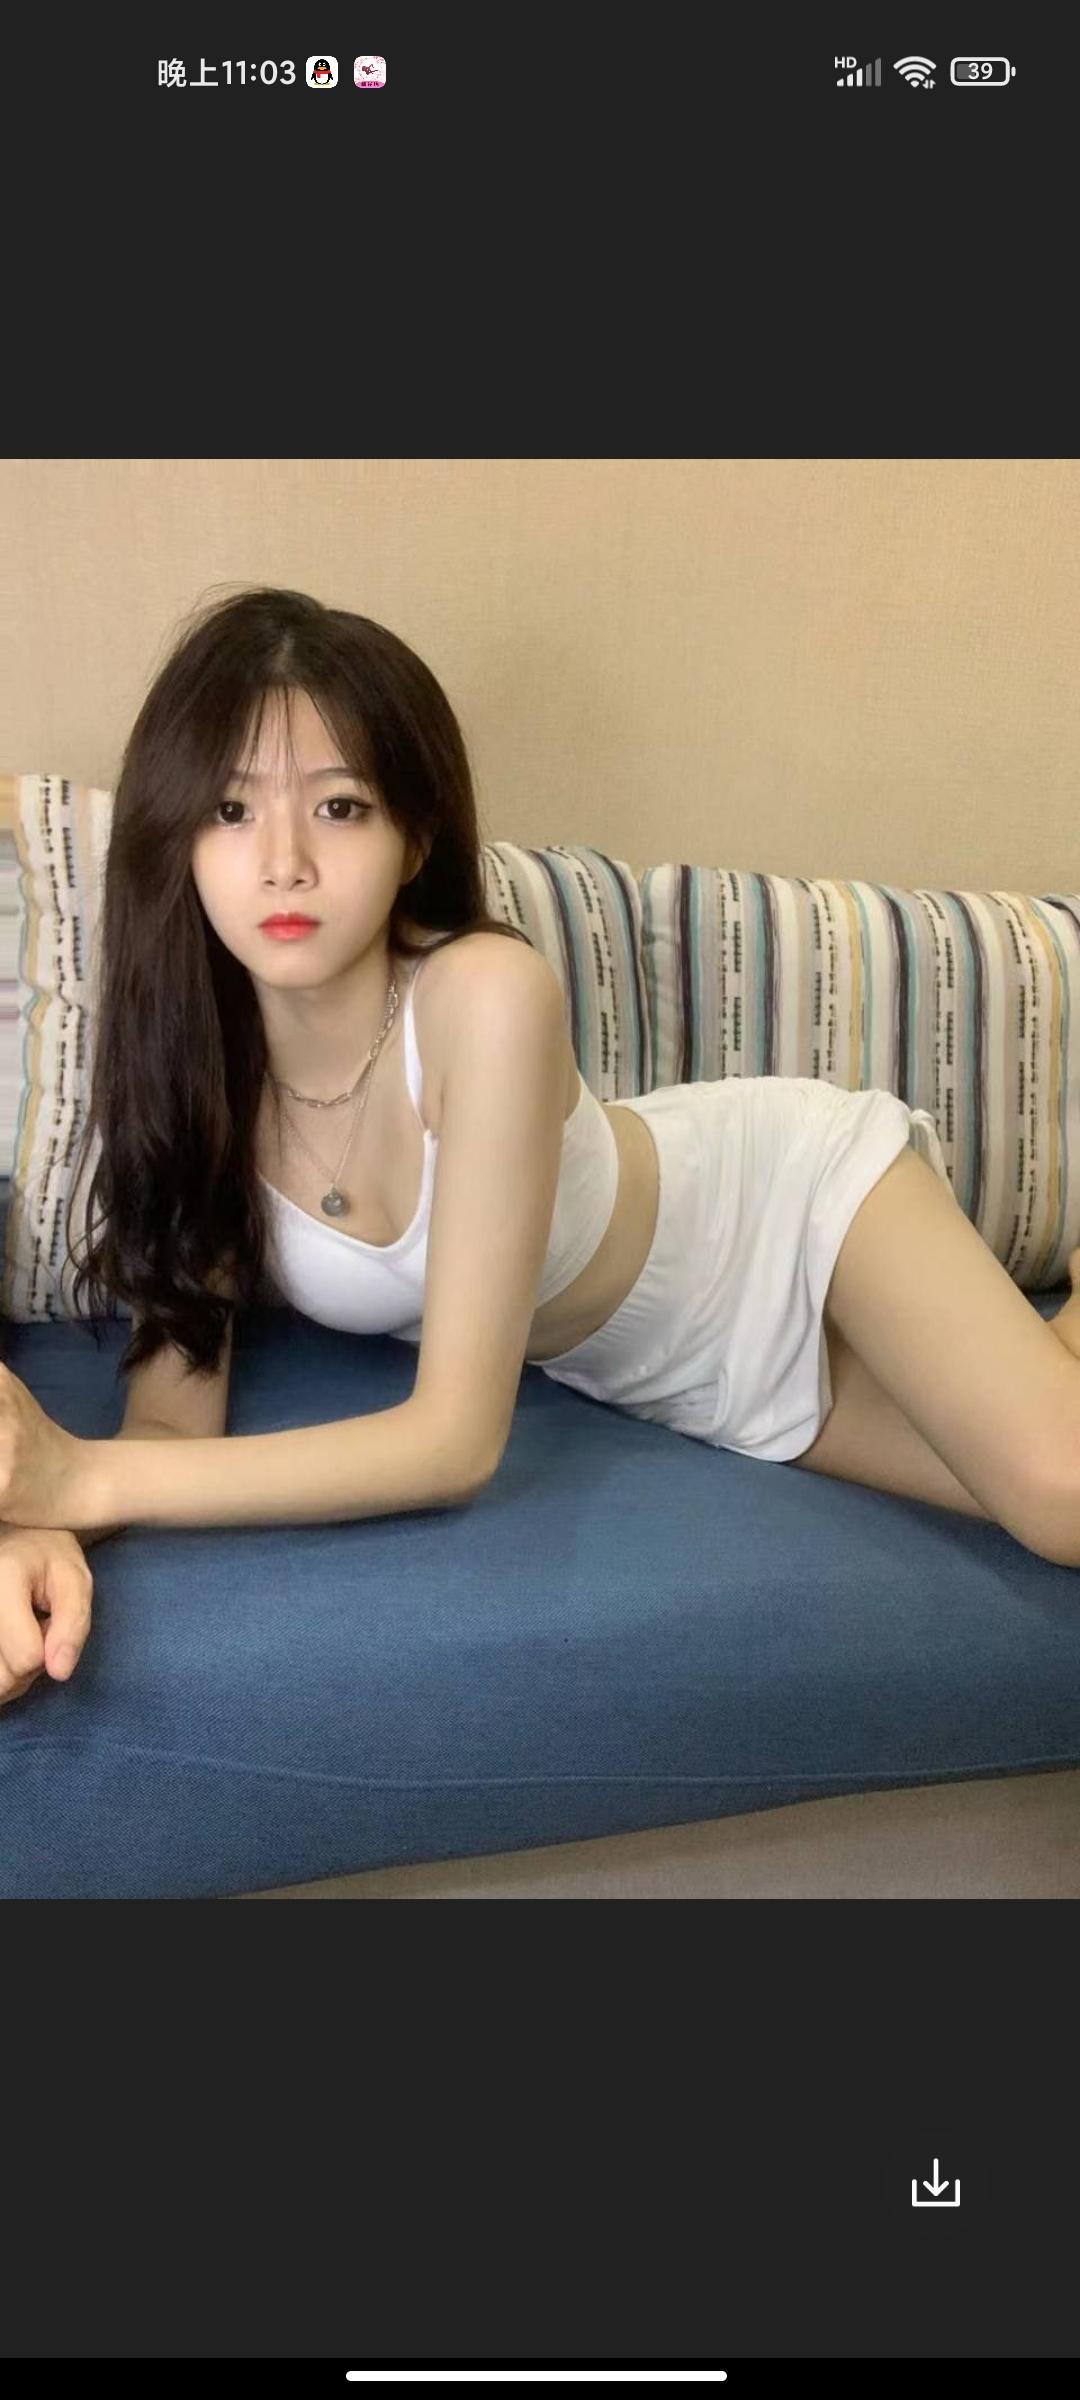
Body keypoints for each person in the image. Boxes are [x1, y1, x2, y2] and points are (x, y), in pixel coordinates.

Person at [5, 582, 1080, 1706]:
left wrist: (85, 1478)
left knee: (1062, 1503)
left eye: (339, 807)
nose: (284, 862)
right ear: (176, 837)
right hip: (661, 1370)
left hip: (788, 1209)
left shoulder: (486, 997)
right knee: (1012, 1482)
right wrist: (42, 1537)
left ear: (415, 837)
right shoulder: (198, 1083)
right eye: (231, 809)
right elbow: (168, 1422)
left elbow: (453, 1443)